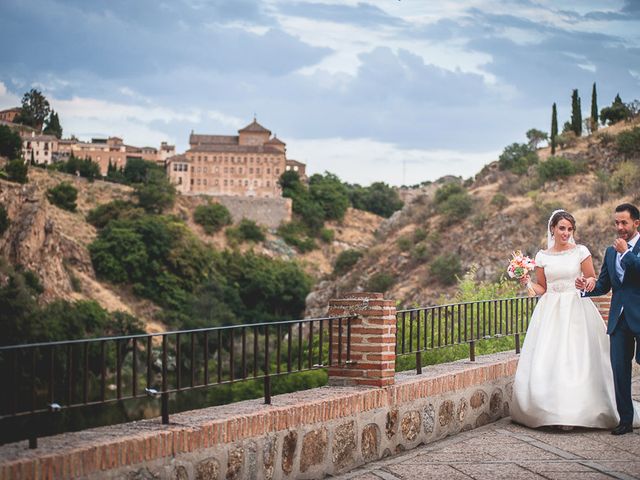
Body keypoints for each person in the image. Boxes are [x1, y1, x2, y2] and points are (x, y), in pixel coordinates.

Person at [510, 209, 638, 430]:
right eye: (562, 228)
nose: (566, 233)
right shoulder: (542, 256)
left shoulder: (581, 251)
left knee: (578, 359)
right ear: (552, 229)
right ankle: (553, 412)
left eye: (569, 229)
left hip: (578, 310)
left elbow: (592, 279)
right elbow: (542, 288)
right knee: (552, 361)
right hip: (550, 312)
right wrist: (526, 282)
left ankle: (594, 412)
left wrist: (587, 283)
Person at [576, 203, 640, 435]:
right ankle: (625, 420)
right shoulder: (611, 251)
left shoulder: (624, 250)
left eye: (624, 222)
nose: (620, 227)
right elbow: (604, 285)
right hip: (618, 320)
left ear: (636, 223)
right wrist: (585, 288)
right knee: (619, 370)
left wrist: (627, 252)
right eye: (616, 223)